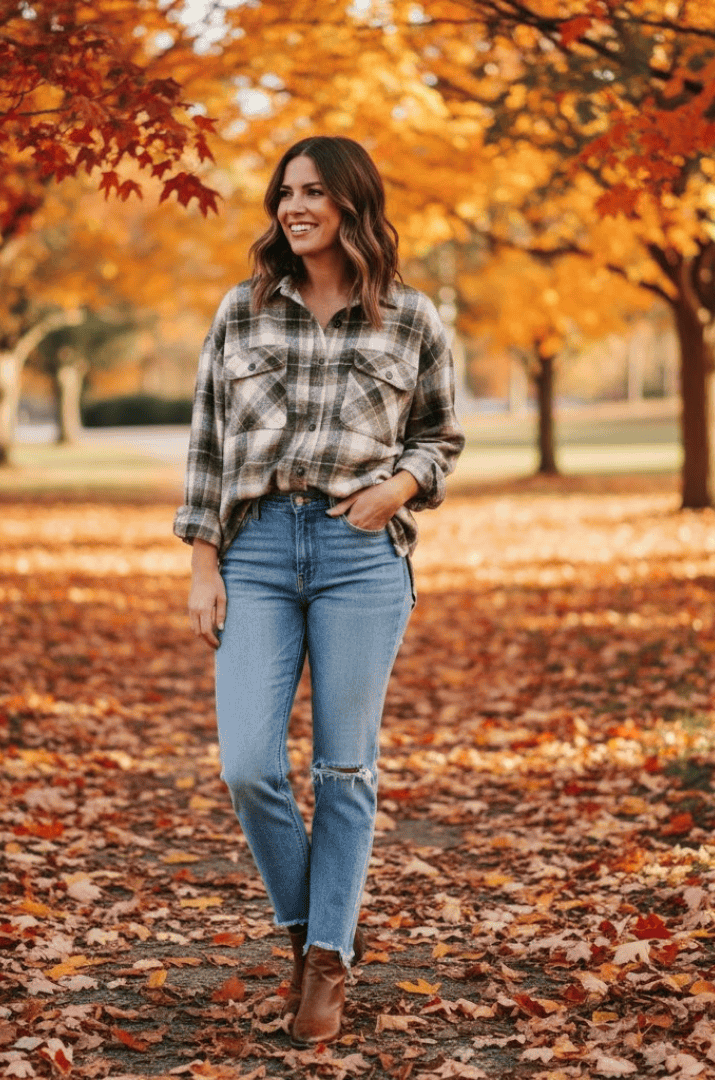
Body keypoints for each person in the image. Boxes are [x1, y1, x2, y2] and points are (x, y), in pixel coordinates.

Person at [172, 135, 465, 1045]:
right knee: (249, 766)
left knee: (345, 770)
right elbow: (208, 443)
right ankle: (313, 932)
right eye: (285, 193)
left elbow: (442, 437)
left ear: (351, 203)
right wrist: (202, 561)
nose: (294, 207)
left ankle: (327, 965)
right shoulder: (243, 310)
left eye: (313, 192)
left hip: (359, 555)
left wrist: (396, 491)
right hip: (257, 549)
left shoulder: (413, 318)